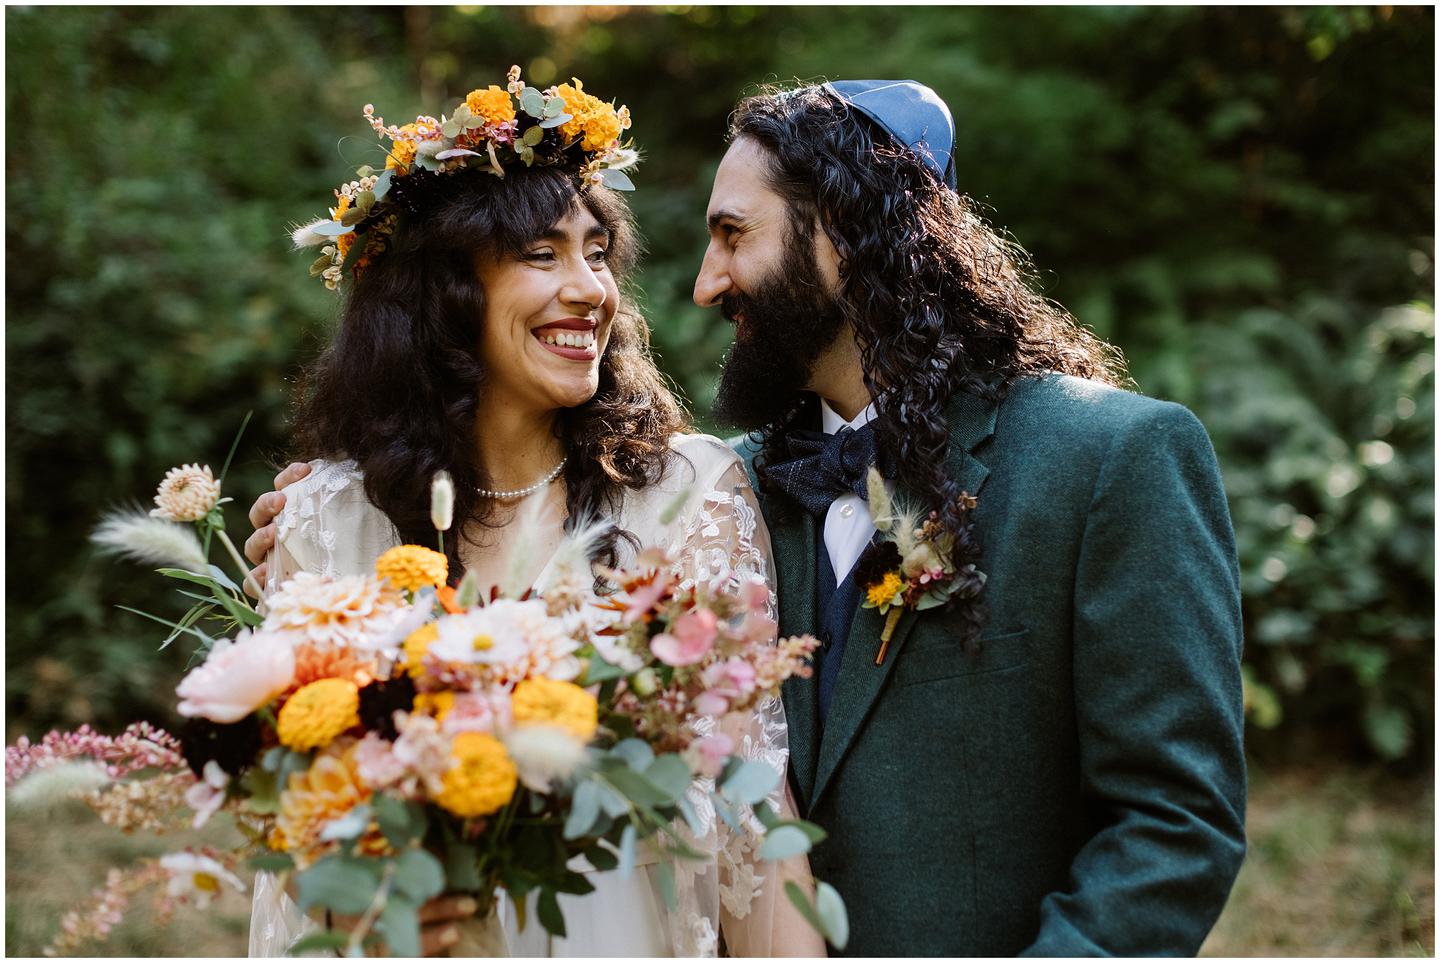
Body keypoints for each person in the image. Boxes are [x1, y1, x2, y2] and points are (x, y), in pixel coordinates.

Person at [253, 77, 1248, 955]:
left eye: (733, 236)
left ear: (852, 237)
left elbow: (1174, 824)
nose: (702, 283)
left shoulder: (1113, 459)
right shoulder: (723, 490)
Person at [244, 73, 824, 958]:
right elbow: (298, 845)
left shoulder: (685, 497)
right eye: (542, 254)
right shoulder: (326, 521)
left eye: (597, 252)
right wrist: (364, 907)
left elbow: (750, 808)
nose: (589, 287)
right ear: (445, 292)